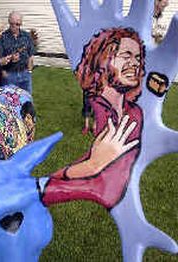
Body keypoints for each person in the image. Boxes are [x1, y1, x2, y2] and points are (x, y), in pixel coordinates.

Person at [43, 28, 145, 209]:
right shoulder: (101, 105)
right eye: (126, 55)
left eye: (137, 57)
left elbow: (114, 187)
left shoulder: (135, 114)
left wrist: (89, 166)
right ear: (104, 59)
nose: (135, 63)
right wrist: (91, 165)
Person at [0, 11, 35, 94]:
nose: (14, 26)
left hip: (25, 73)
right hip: (10, 75)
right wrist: (4, 73)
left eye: (17, 24)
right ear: (9, 22)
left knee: (27, 100)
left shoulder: (26, 36)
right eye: (12, 24)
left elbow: (30, 55)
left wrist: (29, 71)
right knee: (10, 102)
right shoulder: (3, 37)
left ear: (21, 23)